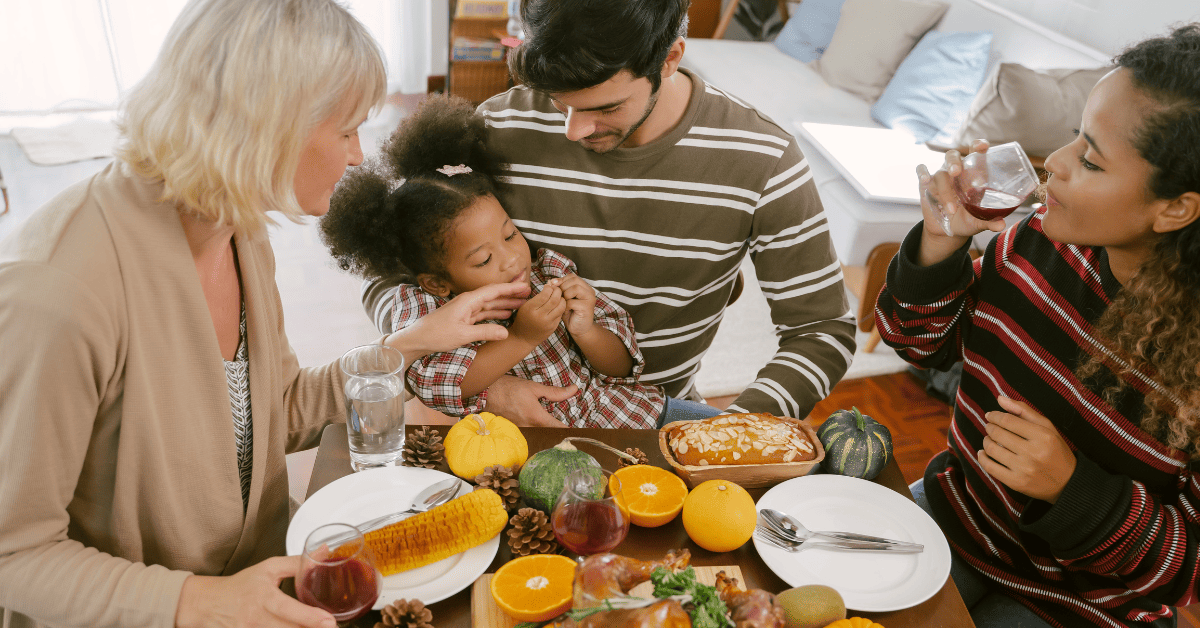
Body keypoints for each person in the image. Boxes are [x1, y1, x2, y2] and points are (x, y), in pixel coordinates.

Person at [0, 1, 528, 626]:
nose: (359, 156)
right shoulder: (58, 291)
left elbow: (276, 412)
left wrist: (411, 343)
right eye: (347, 130)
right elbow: (17, 554)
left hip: (271, 584)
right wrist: (199, 600)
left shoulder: (238, 230)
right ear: (270, 124)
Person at [362, 0, 857, 427]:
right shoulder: (496, 126)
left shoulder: (764, 159)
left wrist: (733, 432)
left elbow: (821, 332)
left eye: (605, 106)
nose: (574, 130)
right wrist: (492, 389)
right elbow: (390, 274)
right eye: (559, 103)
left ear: (669, 59)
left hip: (652, 412)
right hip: (499, 416)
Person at [877, 24, 1200, 628]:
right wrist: (939, 248)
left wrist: (1073, 489)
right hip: (956, 520)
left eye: (1091, 159)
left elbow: (1190, 571)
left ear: (1175, 208)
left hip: (1078, 605)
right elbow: (915, 344)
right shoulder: (1035, 242)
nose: (1053, 162)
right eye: (1076, 135)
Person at [321, 94, 726, 429]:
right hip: (528, 443)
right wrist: (521, 338)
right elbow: (435, 382)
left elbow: (623, 368)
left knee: (731, 436)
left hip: (624, 412)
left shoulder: (548, 270)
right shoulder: (426, 307)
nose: (512, 257)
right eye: (483, 259)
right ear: (437, 282)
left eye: (511, 234)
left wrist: (586, 330)